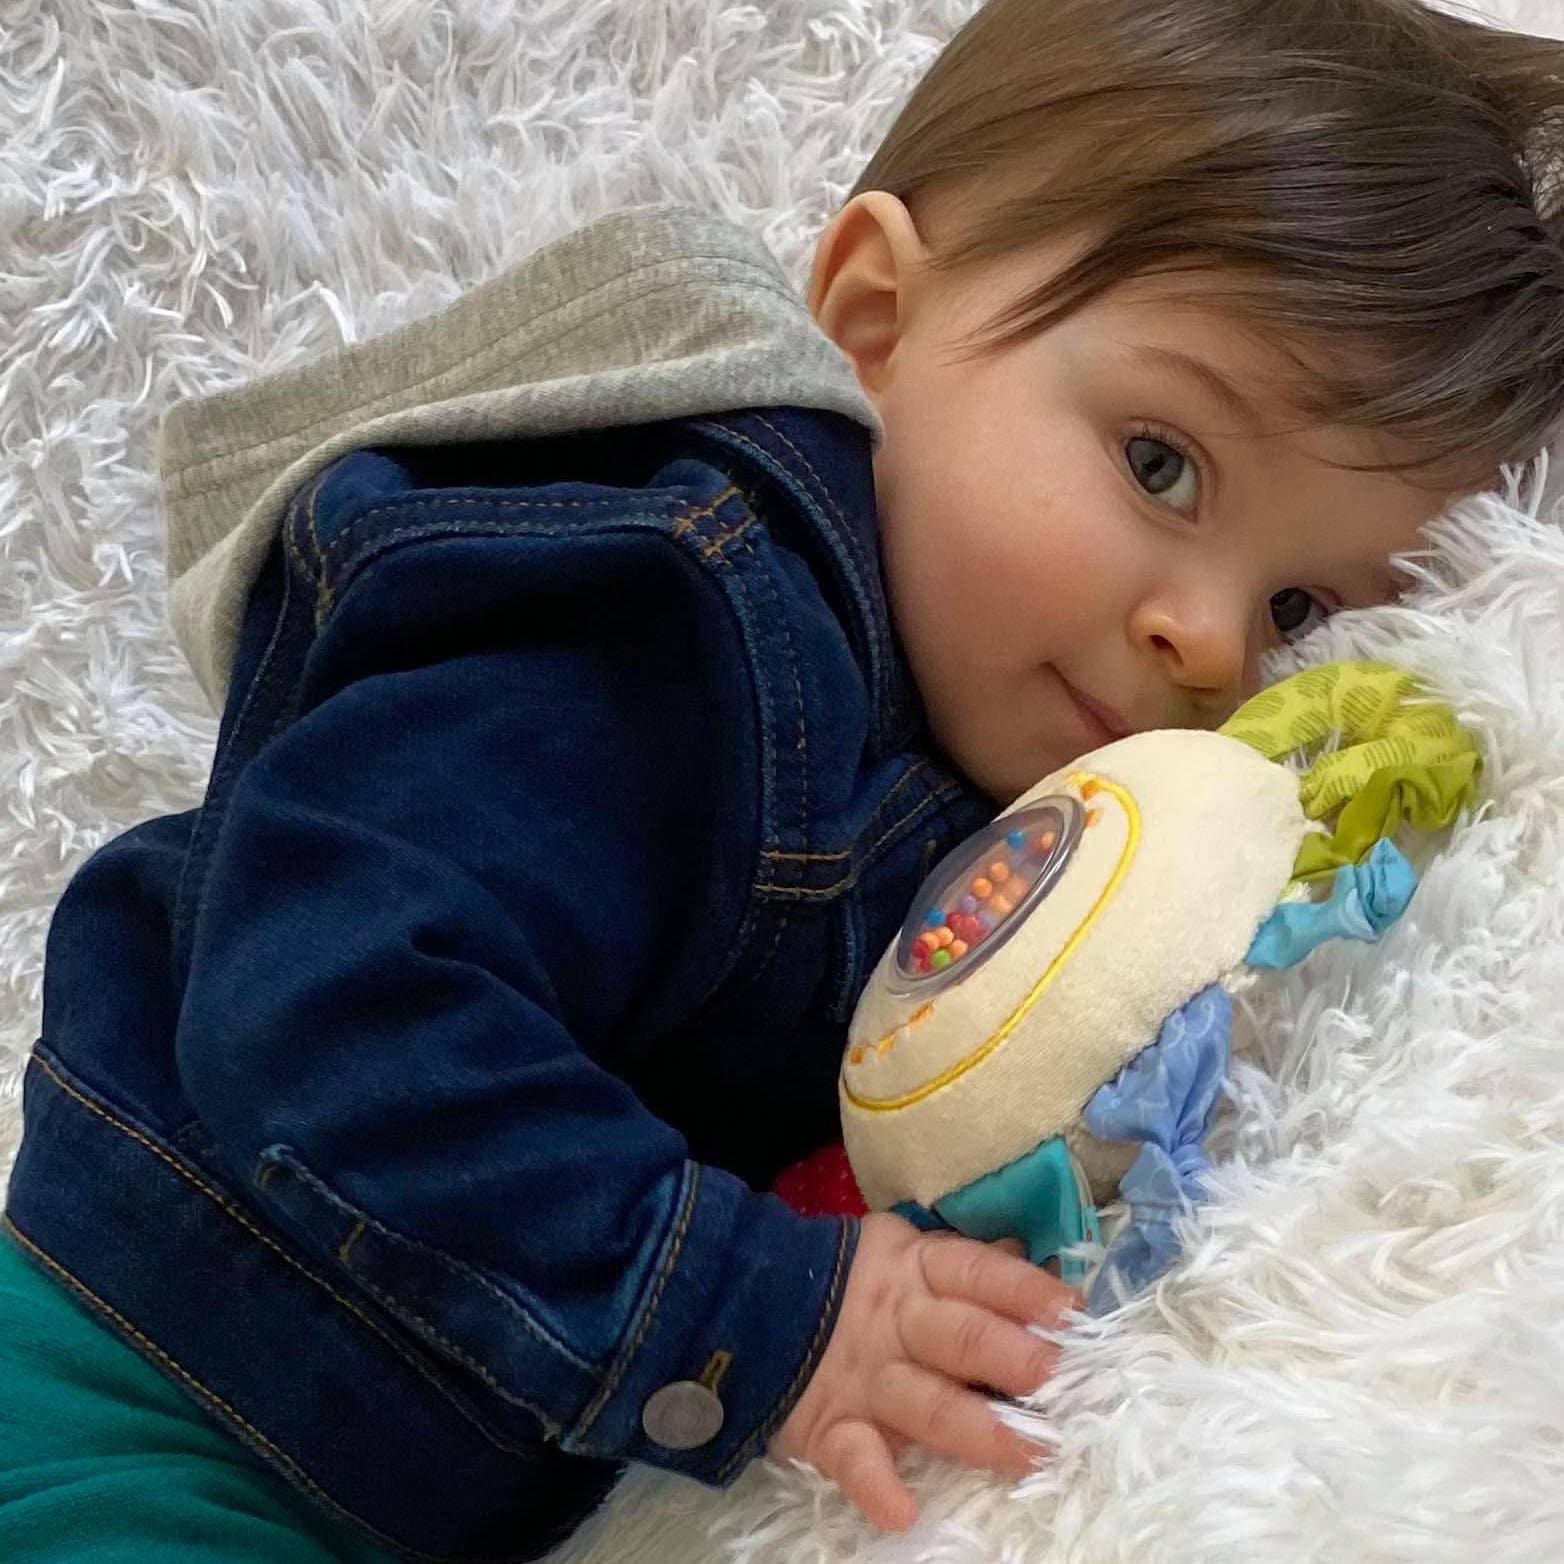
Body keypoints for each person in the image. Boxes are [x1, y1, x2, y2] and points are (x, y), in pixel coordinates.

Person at [6, 0, 1564, 1559]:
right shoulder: (685, 609)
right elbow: (327, 993)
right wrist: (760, 1312)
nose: (1210, 640)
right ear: (876, 312)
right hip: (157, 1375)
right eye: (1160, 463)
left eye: (1301, 608)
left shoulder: (997, 775)